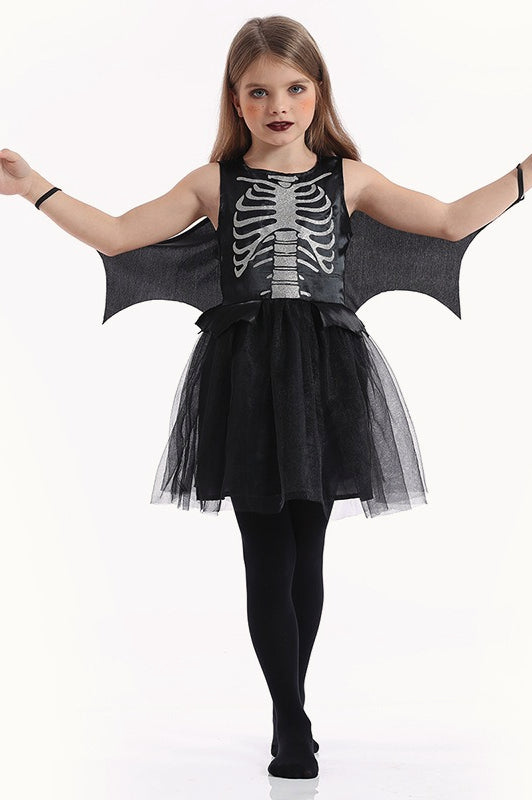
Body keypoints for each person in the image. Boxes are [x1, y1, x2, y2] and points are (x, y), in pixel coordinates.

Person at [1, 14, 528, 782]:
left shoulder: (351, 179)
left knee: (308, 548)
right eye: (259, 91)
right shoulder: (211, 183)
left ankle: (291, 703)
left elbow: (448, 222)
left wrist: (526, 171)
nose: (278, 105)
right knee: (265, 551)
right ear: (235, 99)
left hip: (325, 370)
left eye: (294, 88)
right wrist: (32, 188)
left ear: (318, 93)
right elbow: (117, 235)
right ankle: (291, 718)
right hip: (245, 373)